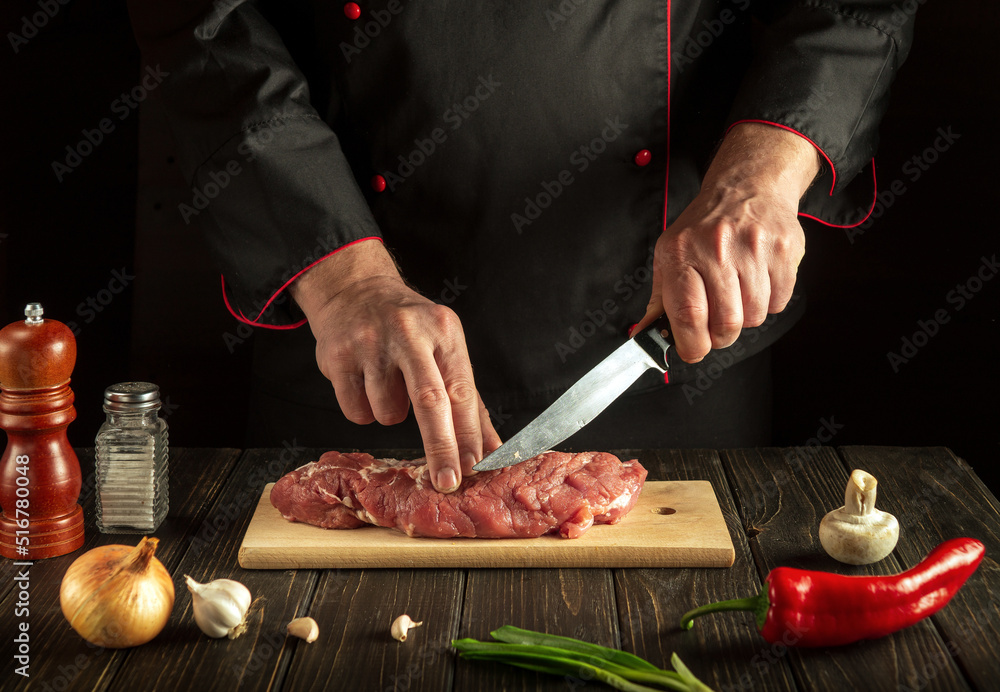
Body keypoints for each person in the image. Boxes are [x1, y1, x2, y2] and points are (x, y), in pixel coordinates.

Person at [128, 0, 915, 492]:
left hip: (678, 330)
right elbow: (204, 18)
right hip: (356, 354)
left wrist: (763, 171)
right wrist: (341, 278)